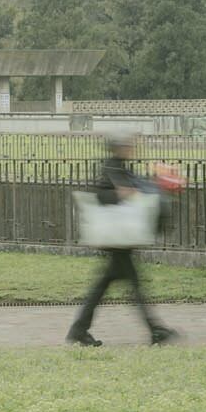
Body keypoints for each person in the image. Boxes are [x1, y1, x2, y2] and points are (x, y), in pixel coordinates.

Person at [65, 138, 175, 347]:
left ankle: (79, 329)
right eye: (128, 146)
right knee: (133, 286)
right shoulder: (111, 166)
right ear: (119, 148)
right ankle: (156, 330)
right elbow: (101, 196)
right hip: (118, 239)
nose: (132, 149)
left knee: (104, 286)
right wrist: (122, 194)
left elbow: (135, 188)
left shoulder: (119, 167)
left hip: (121, 240)